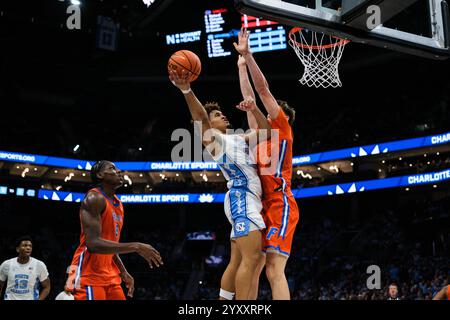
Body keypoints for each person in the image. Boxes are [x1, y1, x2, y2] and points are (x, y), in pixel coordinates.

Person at [169, 69, 272, 300]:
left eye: (222, 112)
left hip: (248, 200)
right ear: (210, 123)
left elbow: (266, 132)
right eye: (217, 115)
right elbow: (199, 118)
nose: (223, 115)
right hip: (241, 199)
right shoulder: (214, 141)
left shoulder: (236, 138)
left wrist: (254, 108)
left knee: (237, 261)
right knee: (253, 258)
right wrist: (186, 89)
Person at [234, 27, 300, 300]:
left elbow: (261, 89)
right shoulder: (261, 136)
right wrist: (240, 65)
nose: (270, 108)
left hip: (281, 203)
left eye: (274, 107)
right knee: (255, 266)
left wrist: (249, 56)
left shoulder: (282, 129)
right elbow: (251, 97)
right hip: (261, 205)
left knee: (274, 269)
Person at [65, 160, 163, 300]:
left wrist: (123, 271)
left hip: (109, 275)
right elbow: (93, 244)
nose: (119, 171)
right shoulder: (94, 198)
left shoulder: (119, 204)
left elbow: (109, 244)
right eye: (112, 168)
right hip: (87, 273)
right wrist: (136, 246)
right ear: (100, 175)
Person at [0, 236, 51, 300]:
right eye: (25, 245)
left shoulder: (39, 265)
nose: (28, 248)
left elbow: (47, 287)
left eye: (30, 246)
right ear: (18, 249)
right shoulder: (6, 264)